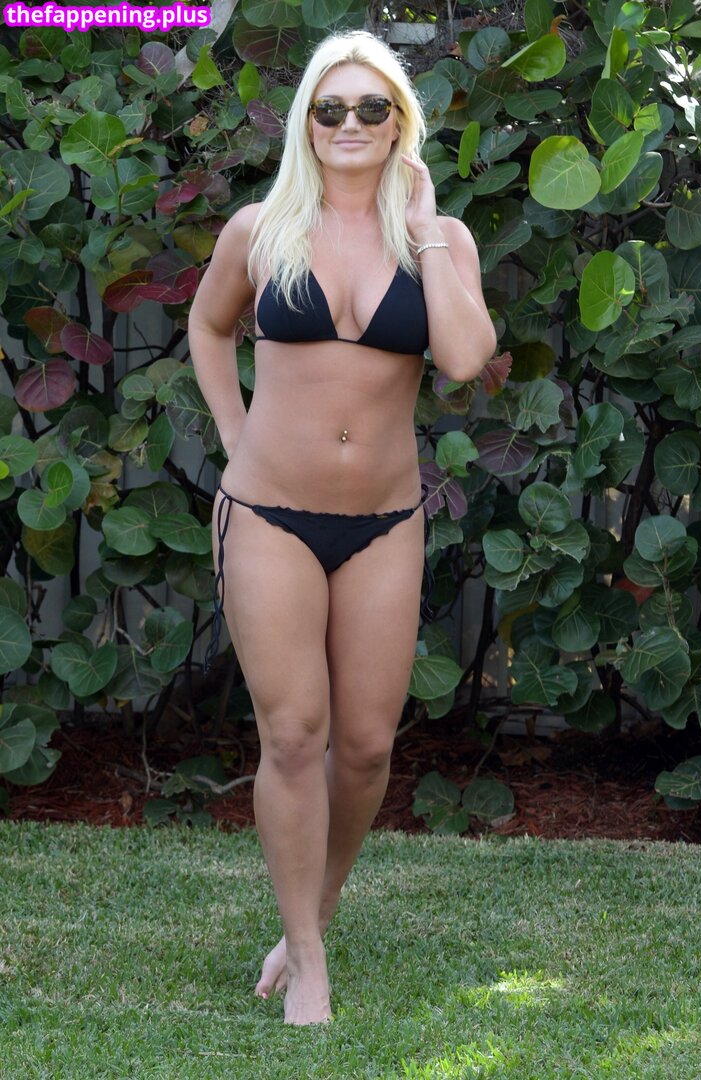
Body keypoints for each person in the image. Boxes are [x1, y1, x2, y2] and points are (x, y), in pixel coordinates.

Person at [187, 29, 496, 1025]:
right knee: (293, 736)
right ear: (307, 123)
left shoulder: (437, 240)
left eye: (372, 108)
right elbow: (209, 326)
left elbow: (463, 358)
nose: (350, 124)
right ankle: (311, 965)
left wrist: (429, 226)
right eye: (331, 108)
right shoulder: (260, 228)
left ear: (400, 122)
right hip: (268, 515)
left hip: (384, 524)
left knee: (363, 748)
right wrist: (235, 436)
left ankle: (308, 918)